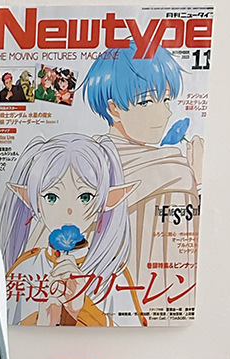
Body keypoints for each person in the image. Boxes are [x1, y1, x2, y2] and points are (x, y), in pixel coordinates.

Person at [82, 45, 203, 299]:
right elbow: (184, 266)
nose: (166, 112)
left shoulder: (80, 161)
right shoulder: (175, 172)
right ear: (114, 109)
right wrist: (198, 183)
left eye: (166, 99)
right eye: (146, 101)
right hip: (152, 299)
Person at [0, 132, 140, 326]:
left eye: (85, 197)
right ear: (33, 202)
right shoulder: (25, 269)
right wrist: (43, 320)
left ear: (106, 202)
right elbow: (0, 328)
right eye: (51, 197)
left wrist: (81, 309)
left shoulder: (112, 274)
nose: (69, 210)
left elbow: (132, 336)